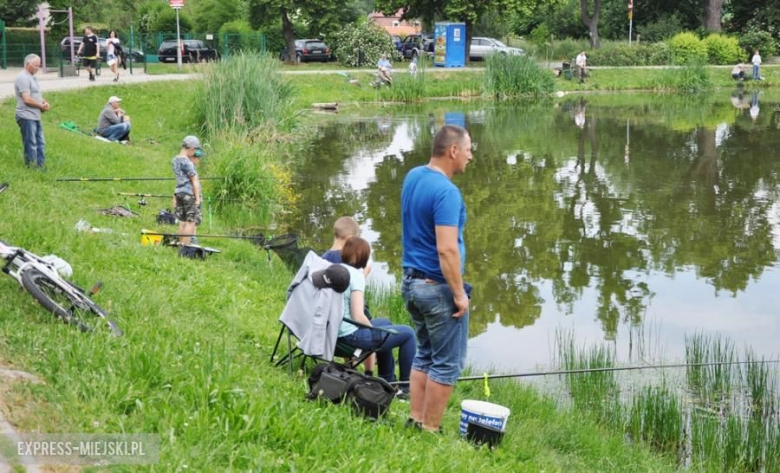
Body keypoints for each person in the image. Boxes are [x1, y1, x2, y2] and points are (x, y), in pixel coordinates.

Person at [401, 124, 473, 433]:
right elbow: (446, 249)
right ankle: (431, 430)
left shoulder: (414, 176)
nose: (471, 155)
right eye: (469, 149)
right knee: (447, 363)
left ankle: (415, 420)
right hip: (436, 288)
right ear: (453, 150)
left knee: (425, 354)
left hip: (411, 283)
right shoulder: (447, 192)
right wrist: (459, 293)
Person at [337, 237, 416, 395]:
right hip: (348, 337)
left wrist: (377, 331)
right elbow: (358, 316)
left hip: (334, 332)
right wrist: (373, 331)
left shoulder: (336, 269)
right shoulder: (356, 276)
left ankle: (386, 380)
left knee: (385, 323)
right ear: (364, 258)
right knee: (408, 334)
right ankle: (406, 389)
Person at [14, 54, 50, 168]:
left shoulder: (33, 77)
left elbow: (35, 95)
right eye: (36, 65)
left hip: (35, 116)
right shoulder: (23, 78)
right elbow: (27, 99)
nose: (37, 68)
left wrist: (44, 102)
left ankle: (40, 166)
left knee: (41, 143)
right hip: (26, 116)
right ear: (28, 64)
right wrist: (41, 106)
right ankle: (31, 167)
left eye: (39, 65)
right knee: (31, 143)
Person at [172, 136, 205, 247]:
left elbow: (179, 179)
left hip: (179, 193)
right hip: (189, 194)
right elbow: (194, 181)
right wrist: (197, 198)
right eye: (195, 151)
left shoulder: (175, 160)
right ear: (191, 149)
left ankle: (180, 243)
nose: (195, 153)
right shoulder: (188, 163)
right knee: (191, 221)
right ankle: (185, 247)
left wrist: (174, 196)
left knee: (183, 219)